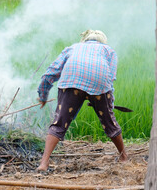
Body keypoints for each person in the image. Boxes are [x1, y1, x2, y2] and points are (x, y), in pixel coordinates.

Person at [37, 29, 128, 172]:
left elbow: (50, 73)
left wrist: (43, 96)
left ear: (85, 40)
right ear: (102, 41)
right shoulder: (109, 51)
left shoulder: (72, 48)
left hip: (71, 82)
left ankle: (43, 163)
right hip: (99, 84)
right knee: (109, 121)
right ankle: (124, 157)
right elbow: (109, 79)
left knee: (59, 123)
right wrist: (105, 103)